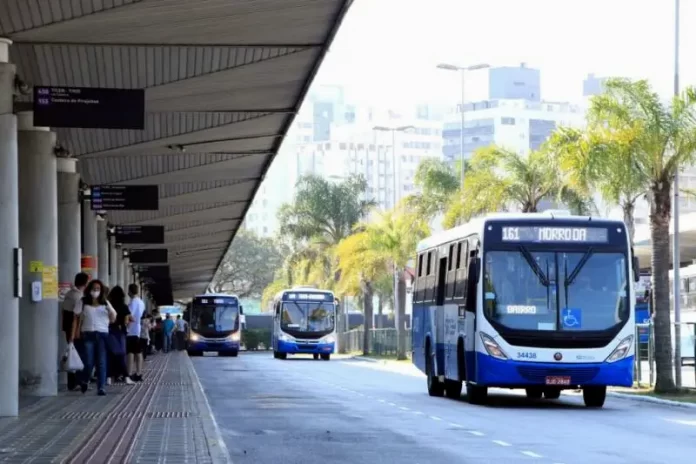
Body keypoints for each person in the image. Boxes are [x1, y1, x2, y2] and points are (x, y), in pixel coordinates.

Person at [72, 279, 116, 396]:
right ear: (89, 289)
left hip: (102, 334)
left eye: (97, 289)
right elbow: (75, 317)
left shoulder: (105, 302)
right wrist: (74, 333)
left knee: (101, 362)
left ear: (101, 291)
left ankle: (101, 387)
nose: (95, 291)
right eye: (93, 289)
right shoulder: (83, 301)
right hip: (88, 333)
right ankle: (85, 380)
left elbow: (113, 318)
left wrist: (110, 312)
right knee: (88, 362)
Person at [61, 272, 89, 391]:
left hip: (68, 328)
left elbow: (64, 312)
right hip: (77, 330)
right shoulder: (79, 297)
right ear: (85, 283)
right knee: (80, 355)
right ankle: (79, 380)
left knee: (72, 354)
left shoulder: (69, 294)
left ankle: (72, 382)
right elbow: (78, 316)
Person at [106, 286, 134, 385]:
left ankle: (109, 377)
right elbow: (128, 320)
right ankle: (125, 376)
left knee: (111, 354)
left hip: (109, 330)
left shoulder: (108, 305)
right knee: (121, 354)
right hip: (121, 331)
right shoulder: (124, 306)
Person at [126, 284, 146, 382]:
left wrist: (126, 326)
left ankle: (129, 373)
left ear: (130, 291)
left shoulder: (133, 302)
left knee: (130, 352)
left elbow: (130, 316)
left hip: (130, 330)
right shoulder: (141, 302)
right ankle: (139, 373)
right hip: (137, 330)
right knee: (138, 352)